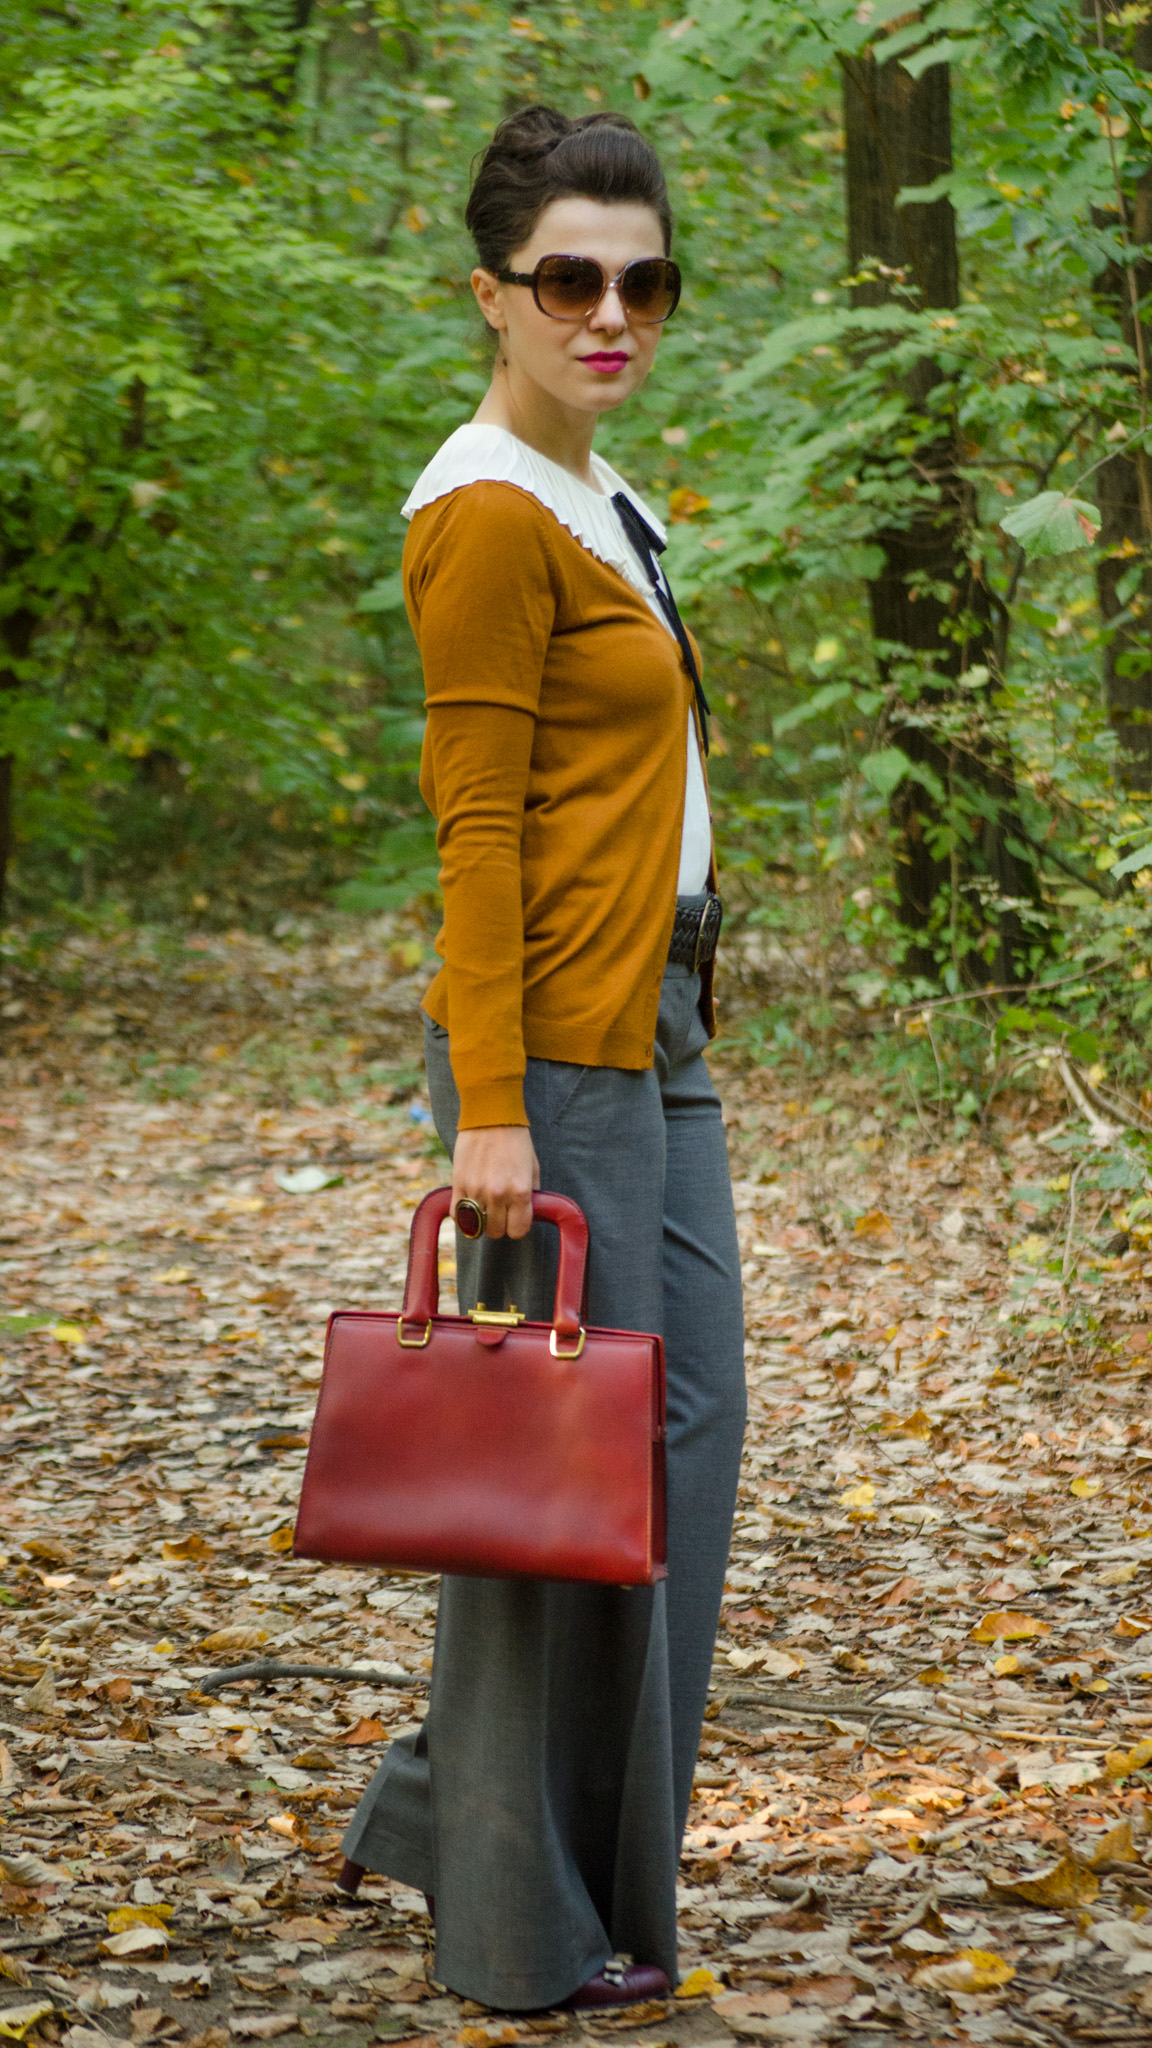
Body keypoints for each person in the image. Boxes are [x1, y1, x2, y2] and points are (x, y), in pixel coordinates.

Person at [337, 103, 746, 2015]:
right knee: (549, 1473)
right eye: (570, 279)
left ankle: (470, 1820)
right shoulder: (486, 511)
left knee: (672, 1440)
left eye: (642, 277)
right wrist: (488, 1103)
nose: (612, 310)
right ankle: (513, 1922)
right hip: (557, 1055)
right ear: (490, 294)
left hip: (656, 1028)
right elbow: (477, 827)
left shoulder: (603, 492)